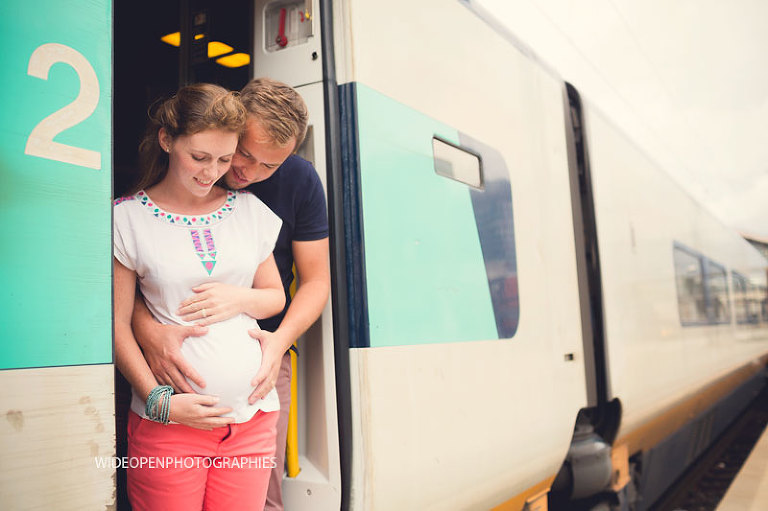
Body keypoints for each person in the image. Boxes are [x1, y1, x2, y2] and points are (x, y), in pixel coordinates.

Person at [131, 77, 331, 511]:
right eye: (244, 154)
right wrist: (146, 332)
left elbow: (315, 281)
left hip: (262, 369)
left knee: (268, 496)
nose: (247, 173)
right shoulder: (170, 183)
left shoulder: (294, 182)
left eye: (269, 167)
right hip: (172, 374)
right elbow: (134, 275)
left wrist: (279, 342)